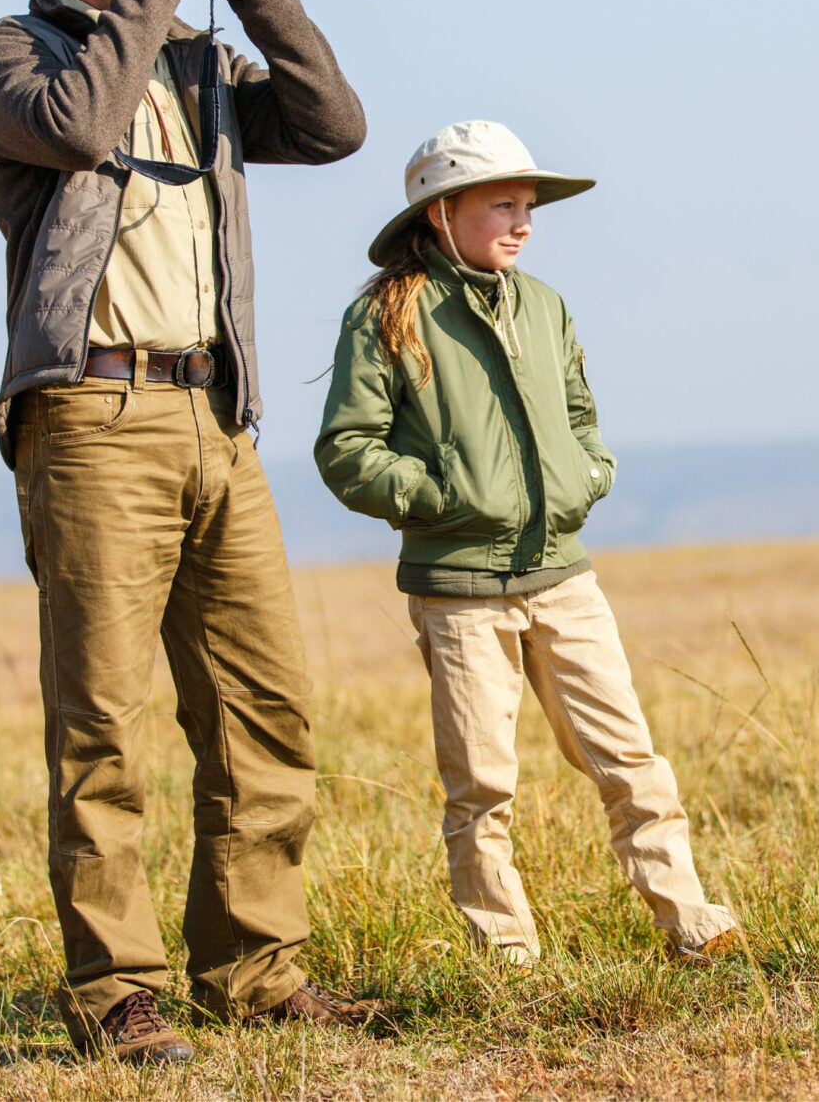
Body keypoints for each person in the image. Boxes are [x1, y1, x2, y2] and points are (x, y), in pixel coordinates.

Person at [0, 0, 368, 1063]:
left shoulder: (197, 58)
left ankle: (251, 966)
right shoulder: (8, 54)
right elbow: (80, 128)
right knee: (102, 719)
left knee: (264, 707)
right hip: (89, 414)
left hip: (213, 414)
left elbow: (333, 123)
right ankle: (114, 992)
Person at [313, 120, 743, 966]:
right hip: (458, 590)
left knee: (629, 755)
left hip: (564, 578)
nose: (525, 221)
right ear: (441, 214)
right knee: (480, 783)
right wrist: (442, 497)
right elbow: (347, 448)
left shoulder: (543, 305)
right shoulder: (384, 315)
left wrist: (590, 474)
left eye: (529, 204)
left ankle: (689, 918)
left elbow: (581, 417)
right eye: (503, 203)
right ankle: (504, 948)